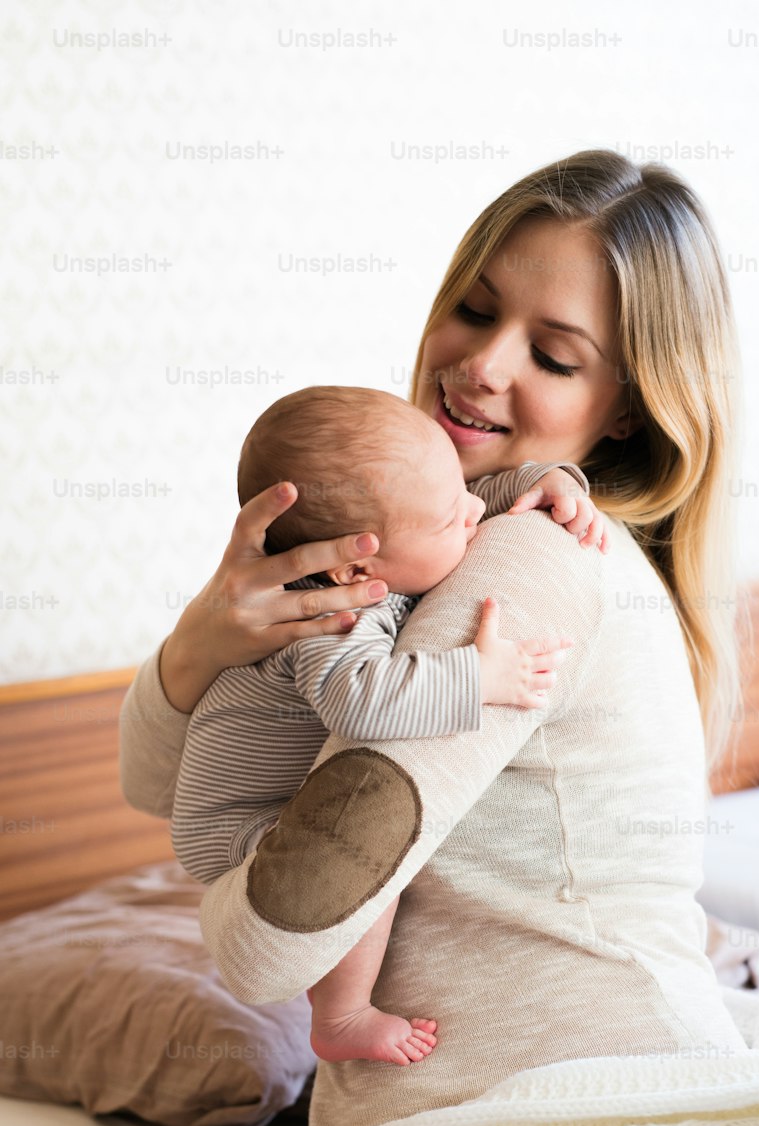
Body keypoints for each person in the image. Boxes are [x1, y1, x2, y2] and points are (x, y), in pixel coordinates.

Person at [120, 149, 752, 1126]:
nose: (483, 365)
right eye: (473, 308)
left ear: (627, 404)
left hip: (552, 1122)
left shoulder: (527, 562)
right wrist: (206, 636)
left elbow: (265, 943)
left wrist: (233, 883)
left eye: (552, 355)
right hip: (486, 1112)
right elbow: (155, 782)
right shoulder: (440, 537)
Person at [170, 383, 606, 1065]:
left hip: (261, 795)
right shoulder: (323, 621)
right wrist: (482, 677)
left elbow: (453, 502)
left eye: (464, 491)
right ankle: (339, 1017)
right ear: (355, 567)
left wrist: (542, 482)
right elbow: (364, 704)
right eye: (448, 519)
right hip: (236, 821)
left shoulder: (396, 539)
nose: (471, 510)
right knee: (368, 859)